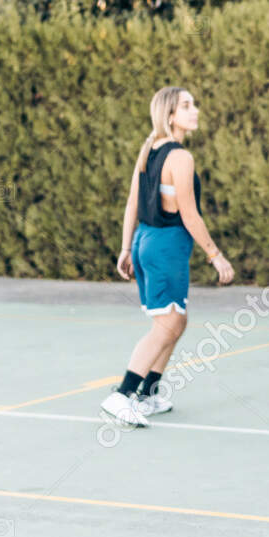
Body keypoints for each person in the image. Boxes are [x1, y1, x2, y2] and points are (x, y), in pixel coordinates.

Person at [103, 86, 234, 428]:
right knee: (167, 325)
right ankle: (122, 394)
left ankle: (148, 394)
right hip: (166, 246)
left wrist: (126, 247)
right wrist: (215, 255)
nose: (196, 111)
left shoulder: (149, 148)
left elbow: (133, 202)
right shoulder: (181, 157)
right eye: (187, 106)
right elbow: (190, 215)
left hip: (146, 241)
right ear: (170, 116)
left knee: (177, 320)